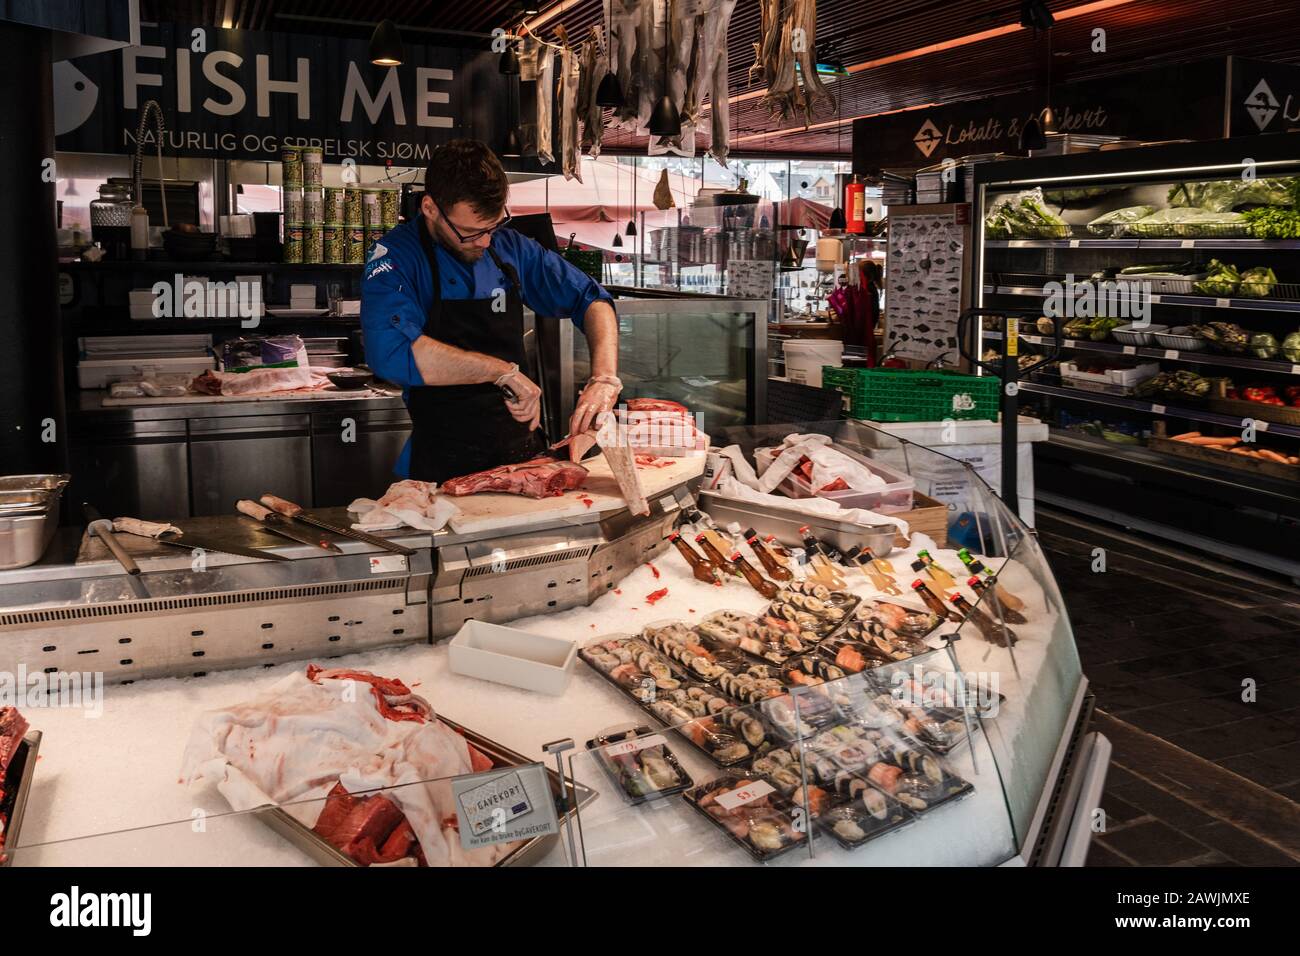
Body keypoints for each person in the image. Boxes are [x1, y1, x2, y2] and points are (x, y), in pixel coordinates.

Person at [361, 139, 620, 482]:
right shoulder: (394, 257)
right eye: (470, 232)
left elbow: (592, 299)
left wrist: (604, 377)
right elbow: (391, 352)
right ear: (430, 208)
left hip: (523, 459)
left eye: (493, 226)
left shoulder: (510, 248)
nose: (484, 242)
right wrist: (502, 372)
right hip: (441, 462)